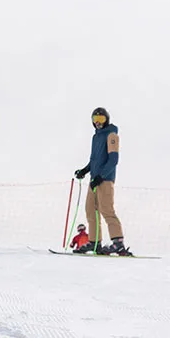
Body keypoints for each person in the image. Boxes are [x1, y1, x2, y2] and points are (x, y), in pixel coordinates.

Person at [73, 107, 129, 255]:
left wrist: (101, 176)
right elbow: (94, 160)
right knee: (90, 210)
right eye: (95, 119)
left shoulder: (112, 135)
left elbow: (113, 160)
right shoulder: (96, 137)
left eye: (101, 119)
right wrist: (84, 171)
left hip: (105, 179)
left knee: (106, 210)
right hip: (94, 180)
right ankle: (95, 242)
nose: (98, 122)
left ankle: (118, 243)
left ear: (107, 120)